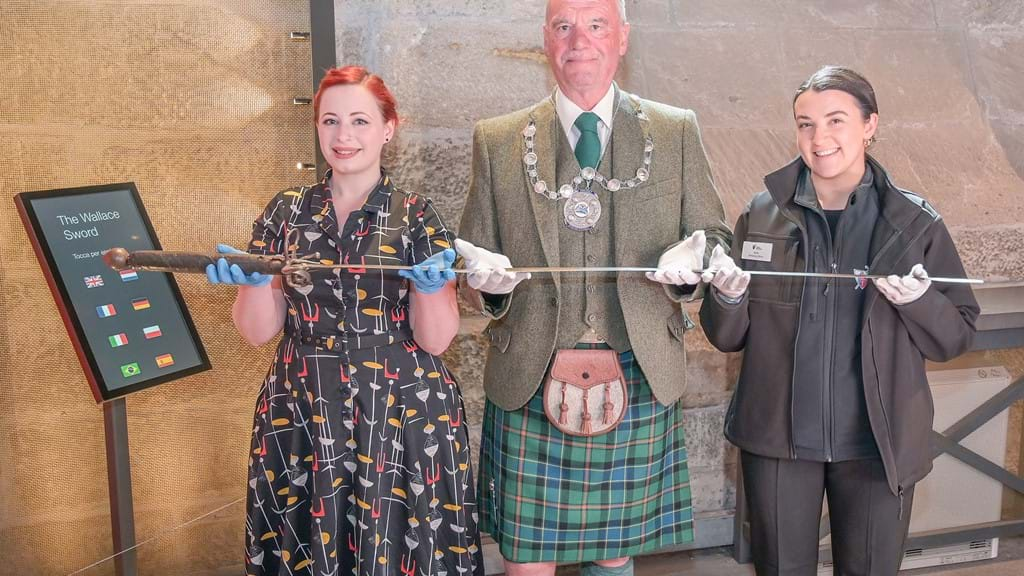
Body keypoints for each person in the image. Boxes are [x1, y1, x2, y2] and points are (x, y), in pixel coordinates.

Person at [455, 1, 732, 574]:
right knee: (525, 560)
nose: (580, 39)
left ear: (622, 38)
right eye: (564, 26)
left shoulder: (674, 129)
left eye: (597, 25)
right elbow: (469, 264)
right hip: (530, 372)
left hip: (636, 366)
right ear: (546, 40)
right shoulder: (499, 140)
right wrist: (485, 286)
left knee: (614, 553)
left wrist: (697, 254)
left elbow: (713, 233)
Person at [699, 66, 980, 575]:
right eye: (804, 123)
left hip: (877, 443)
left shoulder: (915, 223)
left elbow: (956, 334)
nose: (819, 138)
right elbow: (726, 336)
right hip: (778, 439)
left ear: (870, 125)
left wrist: (919, 301)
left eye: (835, 120)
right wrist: (728, 297)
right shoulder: (761, 216)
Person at [207, 66, 484, 576]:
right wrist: (251, 282)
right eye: (331, 121)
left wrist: (428, 290)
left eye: (359, 120)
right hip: (304, 407)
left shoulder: (418, 216)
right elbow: (257, 331)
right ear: (316, 127)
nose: (344, 136)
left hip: (404, 410)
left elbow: (437, 338)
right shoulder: (284, 213)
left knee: (404, 550)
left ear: (388, 128)